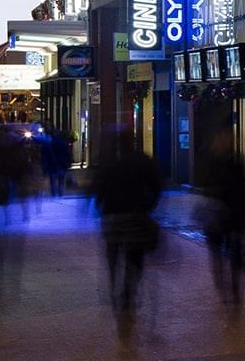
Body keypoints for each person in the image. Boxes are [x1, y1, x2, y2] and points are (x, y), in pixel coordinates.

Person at [92, 129, 161, 336]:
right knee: (134, 259)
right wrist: (147, 207)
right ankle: (128, 294)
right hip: (135, 219)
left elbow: (99, 191)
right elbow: (157, 187)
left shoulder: (108, 164)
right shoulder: (143, 161)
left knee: (113, 255)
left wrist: (100, 206)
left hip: (112, 219)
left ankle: (115, 290)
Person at [199, 127, 245, 307]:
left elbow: (243, 190)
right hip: (224, 214)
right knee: (221, 253)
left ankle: (231, 287)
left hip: (229, 215)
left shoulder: (232, 161)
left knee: (227, 253)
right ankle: (226, 287)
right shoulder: (229, 161)